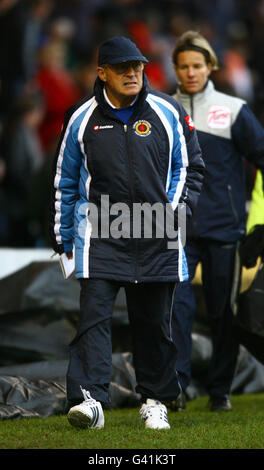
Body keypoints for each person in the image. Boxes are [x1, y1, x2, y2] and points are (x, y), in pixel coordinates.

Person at [50, 36, 204, 430]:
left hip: (158, 236)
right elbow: (65, 180)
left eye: (137, 66)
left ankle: (155, 400)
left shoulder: (167, 111)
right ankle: (91, 402)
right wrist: (64, 238)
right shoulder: (81, 118)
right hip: (100, 235)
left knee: (154, 324)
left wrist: (171, 216)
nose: (133, 73)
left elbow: (188, 168)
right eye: (122, 68)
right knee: (94, 319)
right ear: (102, 73)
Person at [171, 31, 264, 411]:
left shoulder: (235, 110)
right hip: (174, 228)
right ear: (174, 68)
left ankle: (220, 390)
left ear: (210, 67)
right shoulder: (161, 109)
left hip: (225, 228)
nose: (190, 72)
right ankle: (172, 388)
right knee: (174, 308)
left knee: (222, 311)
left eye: (197, 65)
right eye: (183, 66)